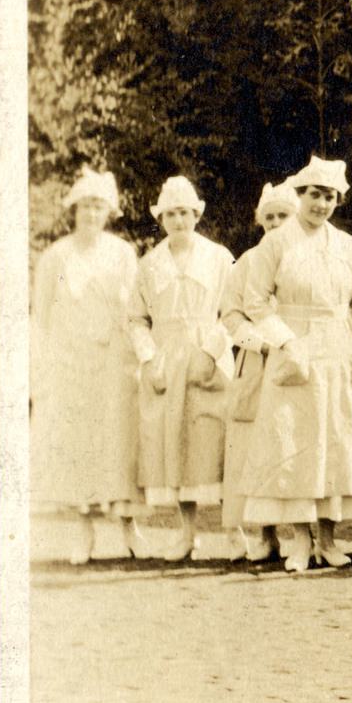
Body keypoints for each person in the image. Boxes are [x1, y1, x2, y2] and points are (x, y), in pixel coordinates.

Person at [228, 157, 352, 574]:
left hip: (337, 348)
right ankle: (299, 540)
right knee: (294, 443)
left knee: (333, 442)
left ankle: (329, 540)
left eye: (329, 196)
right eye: (314, 194)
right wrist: (285, 341)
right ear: (300, 195)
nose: (321, 203)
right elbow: (255, 301)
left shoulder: (348, 246)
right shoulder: (276, 243)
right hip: (293, 347)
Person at [32, 168, 142, 564]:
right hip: (69, 362)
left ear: (108, 211)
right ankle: (82, 530)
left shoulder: (122, 253)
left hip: (113, 360)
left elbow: (135, 312)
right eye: (86, 206)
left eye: (99, 206)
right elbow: (40, 316)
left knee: (117, 441)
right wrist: (40, 368)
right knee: (76, 444)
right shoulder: (55, 256)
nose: (92, 213)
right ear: (75, 209)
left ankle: (129, 528)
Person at [124, 175, 233, 561]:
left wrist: (213, 352)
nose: (179, 221)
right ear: (162, 218)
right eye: (171, 214)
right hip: (168, 360)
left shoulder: (219, 257)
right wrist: (149, 359)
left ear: (197, 215)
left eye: (185, 213)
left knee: (216, 443)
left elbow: (231, 313)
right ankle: (187, 533)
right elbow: (136, 319)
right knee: (177, 450)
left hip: (208, 358)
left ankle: (233, 532)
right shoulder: (150, 263)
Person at [217, 182, 296, 561]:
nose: (277, 223)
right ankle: (265, 534)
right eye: (270, 217)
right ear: (260, 221)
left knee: (296, 440)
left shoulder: (304, 256)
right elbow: (230, 316)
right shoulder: (247, 261)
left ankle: (302, 533)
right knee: (254, 447)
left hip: (297, 359)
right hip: (258, 362)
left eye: (284, 215)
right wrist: (261, 342)